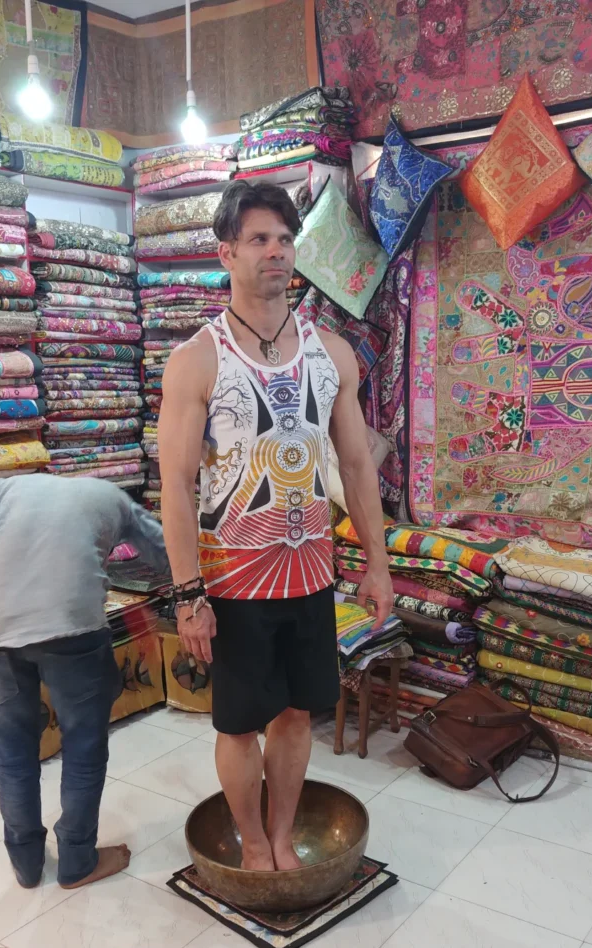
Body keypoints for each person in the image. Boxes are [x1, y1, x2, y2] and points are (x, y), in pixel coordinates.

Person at [158, 180, 393, 871]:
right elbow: (175, 483)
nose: (276, 253)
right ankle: (252, 844)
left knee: (296, 714)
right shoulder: (198, 359)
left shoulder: (332, 354)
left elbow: (355, 466)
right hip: (232, 582)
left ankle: (284, 835)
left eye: (286, 239)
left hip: (309, 574)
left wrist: (377, 564)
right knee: (236, 723)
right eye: (259, 239)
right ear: (226, 252)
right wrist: (186, 596)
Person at [0, 474, 169, 890]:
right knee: (83, 748)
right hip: (71, 627)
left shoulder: (9, 486)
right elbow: (162, 548)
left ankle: (27, 865)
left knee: (12, 754)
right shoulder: (113, 497)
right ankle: (77, 861)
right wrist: (195, 588)